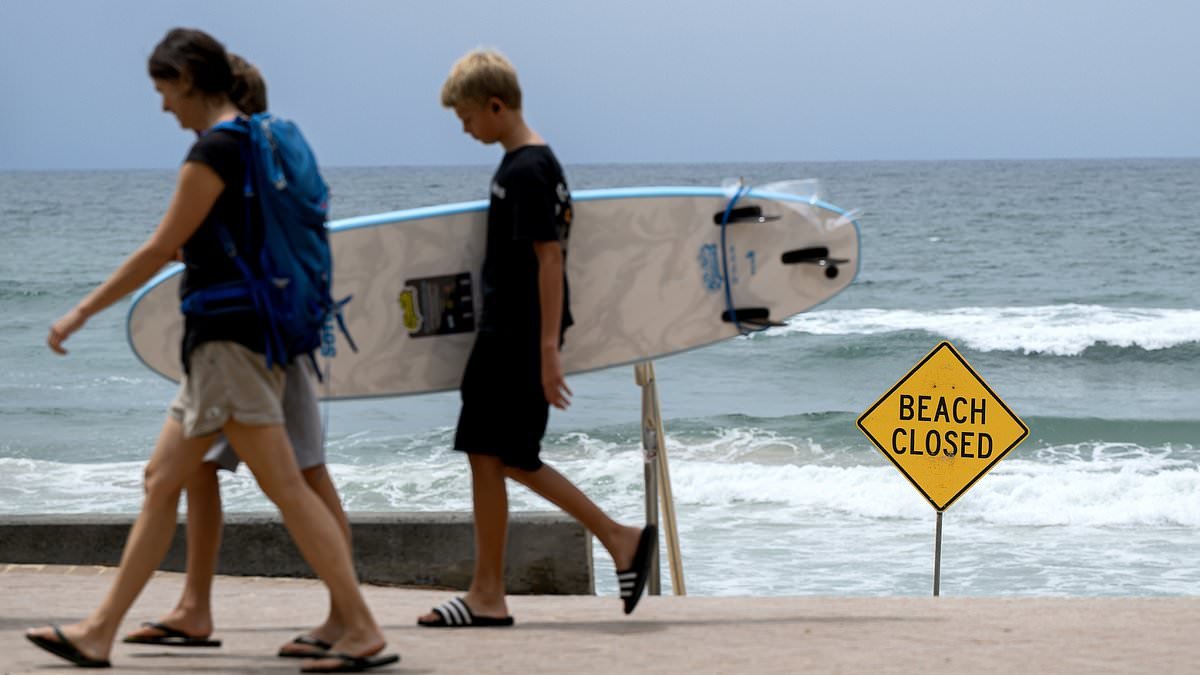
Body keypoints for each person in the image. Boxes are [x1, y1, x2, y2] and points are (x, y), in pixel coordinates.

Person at [25, 28, 397, 673]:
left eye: (163, 88)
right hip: (236, 343)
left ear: (187, 79)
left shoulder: (217, 150)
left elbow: (160, 247)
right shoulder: (254, 140)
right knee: (163, 479)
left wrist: (80, 312)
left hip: (229, 344)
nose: (163, 105)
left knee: (286, 485)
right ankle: (100, 631)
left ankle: (360, 626)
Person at [118, 51, 355, 662]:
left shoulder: (240, 155)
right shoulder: (266, 164)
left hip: (256, 342)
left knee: (299, 476)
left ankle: (348, 617)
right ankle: (194, 607)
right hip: (274, 331)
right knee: (193, 470)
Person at [417, 49, 657, 629]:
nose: (464, 127)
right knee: (495, 454)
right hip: (515, 332)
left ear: (496, 105)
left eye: (468, 115)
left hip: (516, 335)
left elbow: (550, 260)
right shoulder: (528, 165)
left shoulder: (526, 170)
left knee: (499, 454)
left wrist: (548, 351)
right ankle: (512, 581)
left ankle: (498, 590)